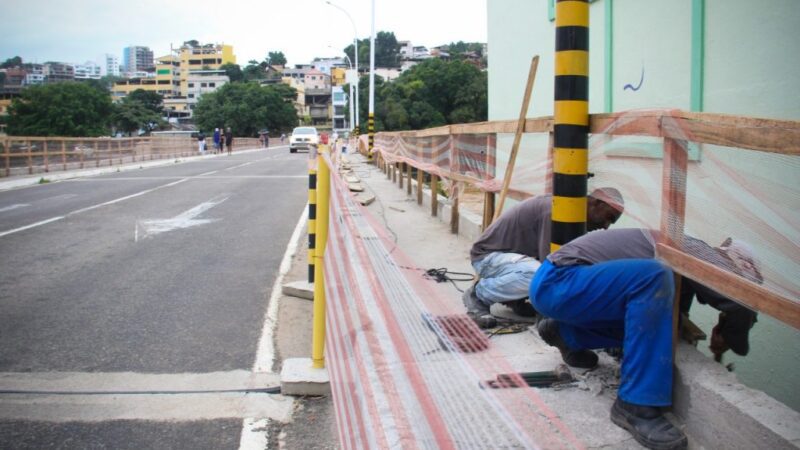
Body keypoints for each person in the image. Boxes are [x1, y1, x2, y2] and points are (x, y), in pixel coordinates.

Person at [528, 228, 761, 450]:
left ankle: (567, 335)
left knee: (667, 324)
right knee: (655, 277)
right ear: (736, 265)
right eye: (741, 280)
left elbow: (659, 320)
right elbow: (740, 304)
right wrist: (731, 335)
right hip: (559, 281)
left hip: (558, 285)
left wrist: (722, 327)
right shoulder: (699, 252)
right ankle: (635, 404)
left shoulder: (684, 259)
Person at [463, 187, 625, 328]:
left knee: (546, 276)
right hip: (487, 258)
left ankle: (514, 300)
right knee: (540, 275)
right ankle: (478, 295)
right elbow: (551, 263)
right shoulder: (557, 211)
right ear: (597, 203)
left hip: (511, 259)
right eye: (608, 217)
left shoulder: (571, 213)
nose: (605, 226)